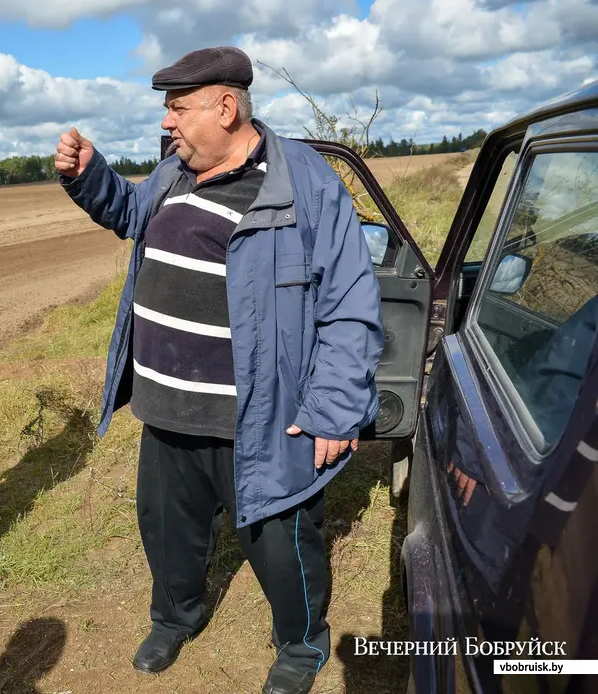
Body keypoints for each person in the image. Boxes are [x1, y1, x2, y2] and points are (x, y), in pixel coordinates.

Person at [54, 47, 384, 694]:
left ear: (226, 107)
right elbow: (128, 213)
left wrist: (337, 409)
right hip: (165, 407)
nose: (167, 124)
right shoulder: (176, 173)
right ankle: (176, 616)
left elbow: (349, 303)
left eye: (178, 109)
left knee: (281, 542)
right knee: (167, 530)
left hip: (257, 418)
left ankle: (300, 645)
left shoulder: (304, 183)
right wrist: (90, 176)